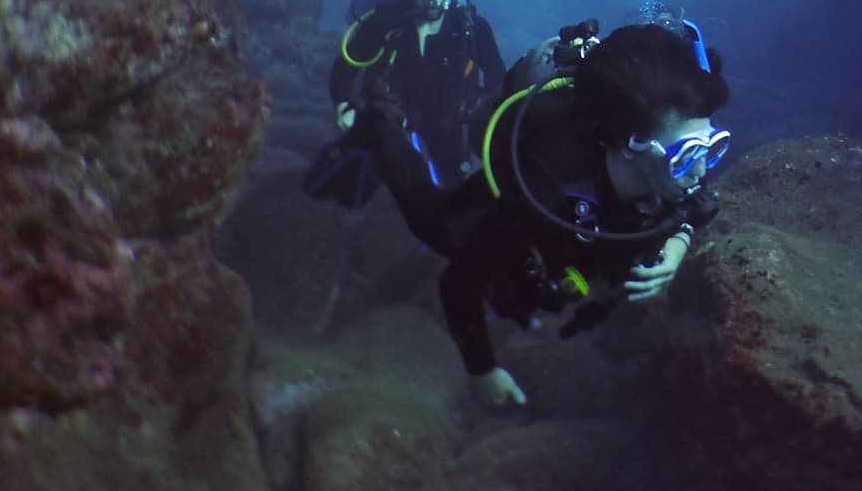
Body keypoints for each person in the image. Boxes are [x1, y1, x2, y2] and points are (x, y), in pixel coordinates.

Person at [306, 22, 731, 407]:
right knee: (429, 218)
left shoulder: (669, 166)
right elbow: (457, 283)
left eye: (713, 147)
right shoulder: (544, 191)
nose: (701, 171)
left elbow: (691, 203)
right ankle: (380, 122)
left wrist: (679, 241)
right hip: (500, 209)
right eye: (688, 155)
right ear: (633, 142)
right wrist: (482, 371)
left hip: (580, 226)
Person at [313, 0, 506, 189]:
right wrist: (343, 104)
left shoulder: (473, 30)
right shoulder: (385, 23)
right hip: (387, 120)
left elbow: (497, 76)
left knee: (454, 188)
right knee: (353, 183)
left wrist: (485, 115)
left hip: (448, 122)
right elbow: (345, 68)